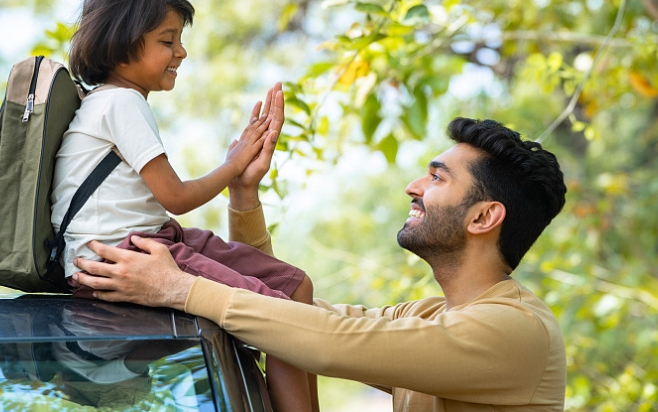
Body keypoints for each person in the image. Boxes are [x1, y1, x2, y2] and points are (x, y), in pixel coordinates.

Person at [73, 117, 568, 411]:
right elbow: (293, 318)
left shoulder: (516, 331)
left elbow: (331, 344)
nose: (413, 186)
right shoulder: (426, 318)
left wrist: (180, 290)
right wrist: (244, 199)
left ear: (484, 217)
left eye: (437, 178)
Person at [51, 0, 318, 412]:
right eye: (167, 40)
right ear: (121, 43)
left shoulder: (112, 102)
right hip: (132, 255)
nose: (181, 52)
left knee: (295, 287)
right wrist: (233, 167)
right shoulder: (120, 103)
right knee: (281, 316)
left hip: (156, 239)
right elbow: (175, 195)